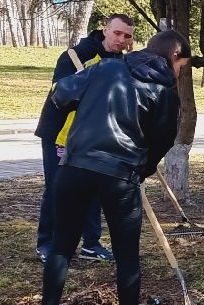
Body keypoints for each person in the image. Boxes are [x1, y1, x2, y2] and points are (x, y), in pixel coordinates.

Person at [36, 28, 187, 305]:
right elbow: (161, 141)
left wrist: (60, 140)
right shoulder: (164, 92)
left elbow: (60, 94)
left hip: (73, 170)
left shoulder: (104, 67)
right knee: (127, 256)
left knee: (62, 246)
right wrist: (141, 171)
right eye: (182, 66)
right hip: (118, 176)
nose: (180, 72)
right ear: (173, 56)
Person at [33, 15, 134, 263]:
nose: (121, 40)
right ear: (105, 30)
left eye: (127, 36)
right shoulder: (76, 56)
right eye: (117, 33)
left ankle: (91, 244)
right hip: (62, 135)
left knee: (94, 189)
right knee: (58, 190)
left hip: (96, 137)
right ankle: (47, 244)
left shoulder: (122, 62)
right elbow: (61, 94)